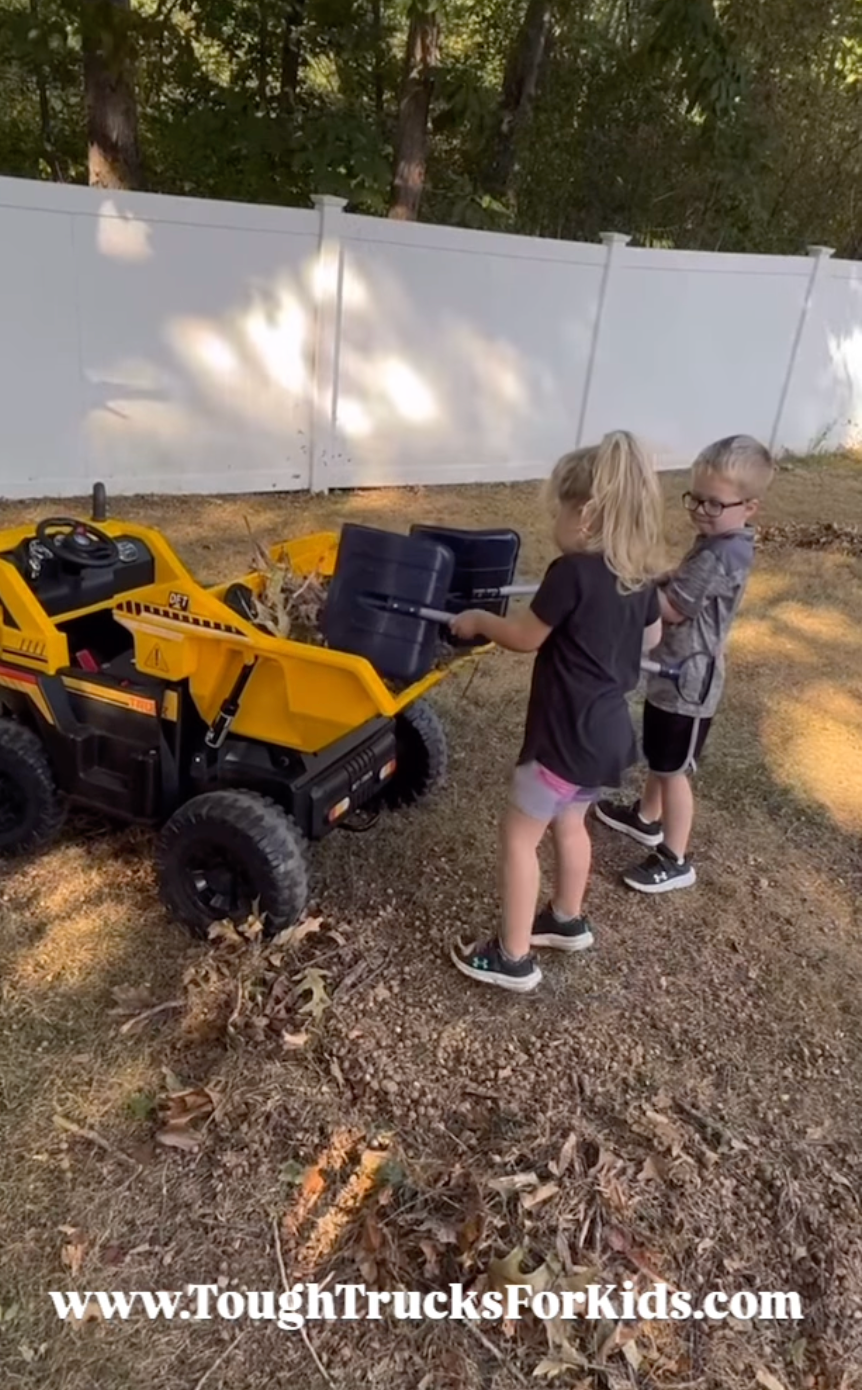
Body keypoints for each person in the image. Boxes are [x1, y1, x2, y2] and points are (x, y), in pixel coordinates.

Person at [447, 430, 666, 993]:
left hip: (562, 737)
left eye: (560, 512)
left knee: (520, 838)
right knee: (572, 823)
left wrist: (477, 621)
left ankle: (513, 956)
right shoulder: (637, 578)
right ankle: (565, 919)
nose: (555, 526)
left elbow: (523, 637)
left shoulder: (570, 573)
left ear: (586, 514)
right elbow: (650, 639)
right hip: (607, 736)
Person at [594, 434, 776, 893]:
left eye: (714, 504)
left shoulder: (722, 552)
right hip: (673, 670)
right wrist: (653, 577)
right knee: (661, 753)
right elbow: (679, 577)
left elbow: (674, 607)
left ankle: (675, 857)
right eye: (695, 498)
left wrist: (631, 596)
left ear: (748, 507)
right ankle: (646, 817)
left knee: (673, 769)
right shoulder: (718, 541)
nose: (700, 510)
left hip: (689, 681)